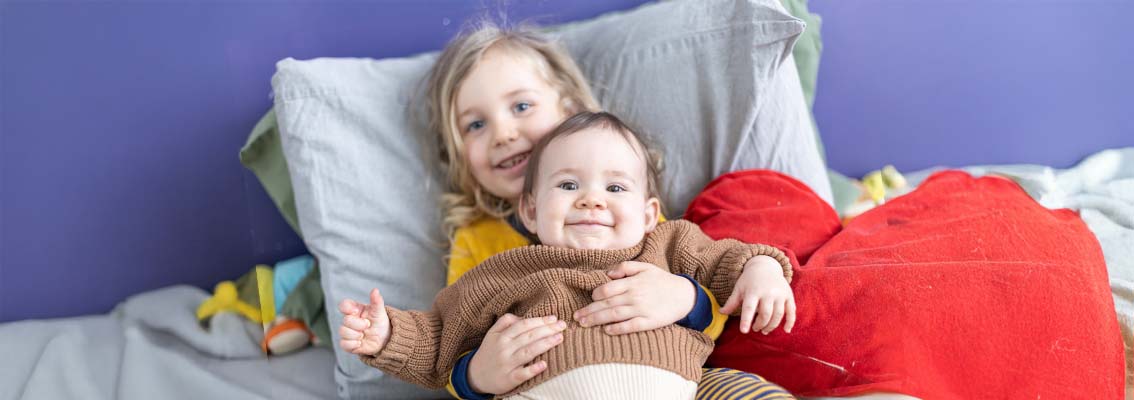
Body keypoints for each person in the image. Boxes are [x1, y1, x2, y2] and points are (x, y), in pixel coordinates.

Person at [339, 111, 797, 399]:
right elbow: (439, 339)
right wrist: (387, 336)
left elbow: (728, 260)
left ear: (648, 212)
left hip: (682, 388)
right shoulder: (506, 273)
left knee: (746, 392)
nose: (591, 200)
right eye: (568, 185)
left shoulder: (668, 245)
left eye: (615, 187)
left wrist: (761, 270)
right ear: (532, 211)